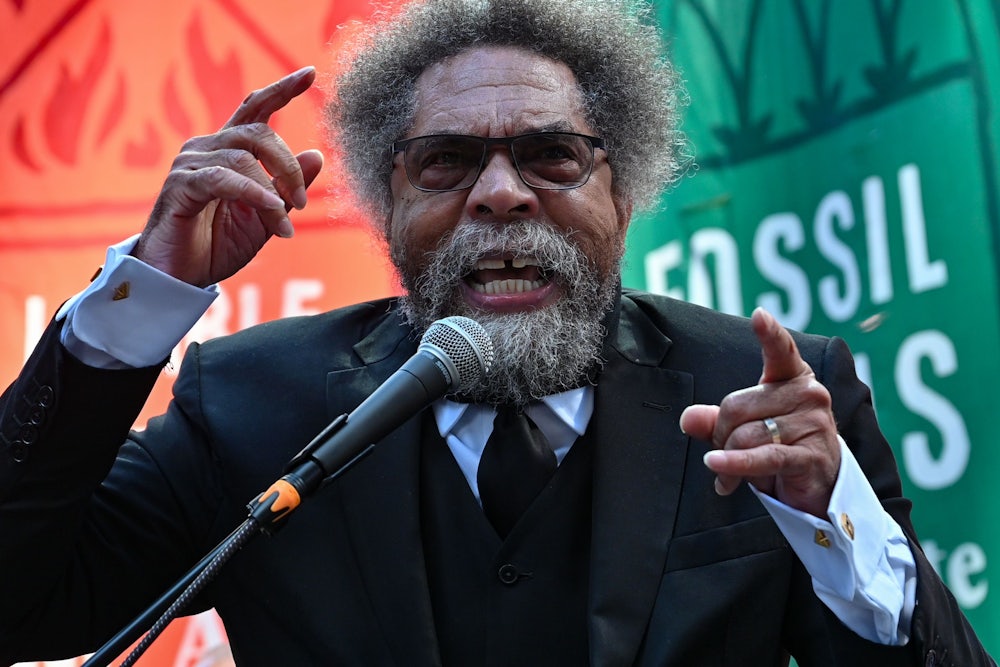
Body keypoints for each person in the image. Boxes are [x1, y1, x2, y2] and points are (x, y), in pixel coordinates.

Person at [0, 0, 993, 665]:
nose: (502, 195)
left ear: (625, 187)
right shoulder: (255, 402)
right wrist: (141, 299)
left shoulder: (769, 396)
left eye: (552, 155)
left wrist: (836, 527)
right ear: (385, 202)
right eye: (445, 162)